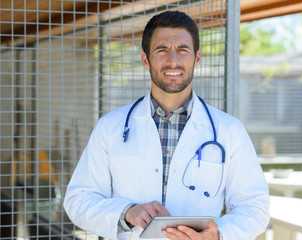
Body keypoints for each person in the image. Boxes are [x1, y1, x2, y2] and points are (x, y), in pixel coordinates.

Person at [64, 11, 270, 240]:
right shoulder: (110, 127)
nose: (173, 60)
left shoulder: (230, 131)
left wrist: (219, 234)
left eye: (183, 50)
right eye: (161, 50)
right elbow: (78, 200)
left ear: (197, 58)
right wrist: (126, 212)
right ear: (145, 59)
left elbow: (254, 207)